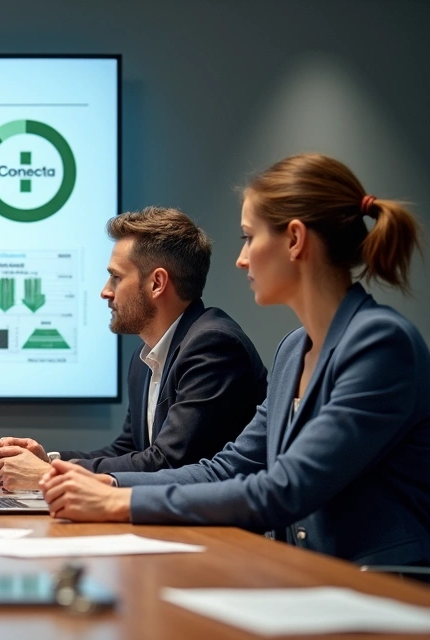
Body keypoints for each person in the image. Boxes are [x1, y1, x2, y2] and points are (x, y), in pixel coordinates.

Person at [40, 154, 430, 567]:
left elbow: (284, 489)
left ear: (295, 239)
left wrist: (122, 502)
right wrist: (108, 482)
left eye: (248, 237)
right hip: (308, 577)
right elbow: (229, 468)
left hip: (380, 586)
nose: (241, 259)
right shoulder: (293, 349)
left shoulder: (380, 344)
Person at [0, 207, 268, 490]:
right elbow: (126, 449)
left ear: (157, 283)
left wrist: (47, 474)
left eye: (116, 277)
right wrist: (50, 462)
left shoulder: (214, 345)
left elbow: (170, 462)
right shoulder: (145, 355)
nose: (105, 291)